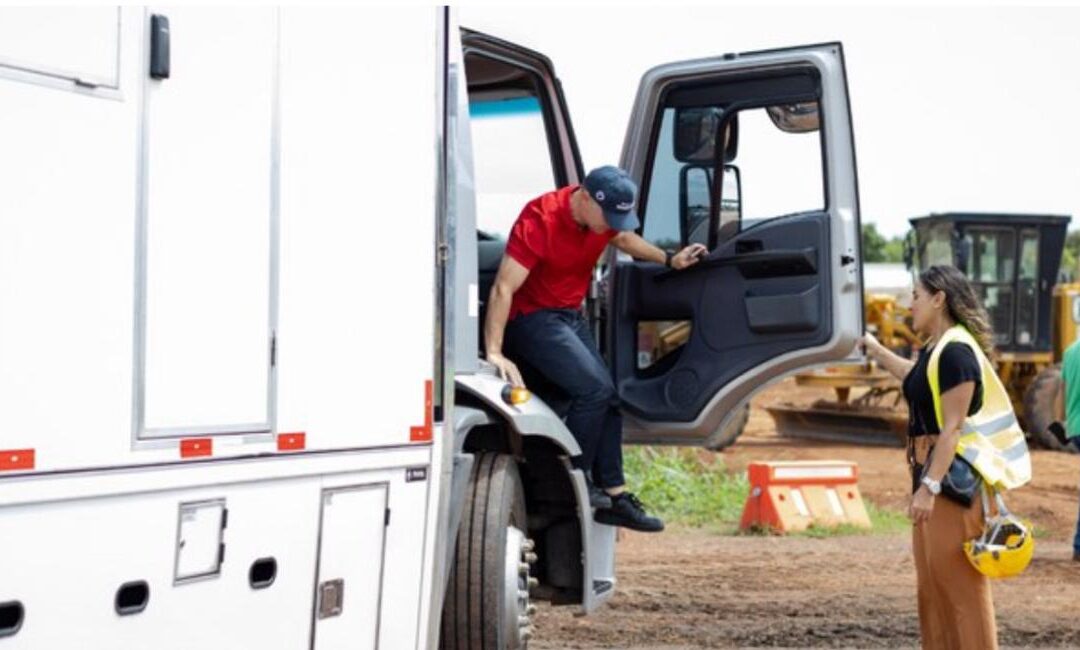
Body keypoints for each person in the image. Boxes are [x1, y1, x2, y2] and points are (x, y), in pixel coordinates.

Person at [484, 166, 706, 532]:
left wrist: (669, 259)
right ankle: (570, 485)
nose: (613, 225)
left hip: (570, 316)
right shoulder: (541, 218)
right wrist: (494, 350)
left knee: (610, 399)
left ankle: (614, 495)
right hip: (533, 318)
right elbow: (503, 288)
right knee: (593, 391)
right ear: (585, 198)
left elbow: (624, 240)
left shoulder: (603, 220)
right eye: (610, 216)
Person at [863, 265, 998, 649]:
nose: (910, 305)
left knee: (961, 590)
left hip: (949, 483)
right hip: (929, 474)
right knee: (933, 588)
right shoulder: (938, 351)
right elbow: (914, 377)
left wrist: (929, 487)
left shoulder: (956, 351)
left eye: (917, 296)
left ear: (939, 299)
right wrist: (874, 350)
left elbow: (952, 428)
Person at [1053, 336, 1080, 561]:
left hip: (1075, 428)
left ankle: (1079, 547)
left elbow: (1061, 391)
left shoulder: (1071, 352)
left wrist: (1057, 424)